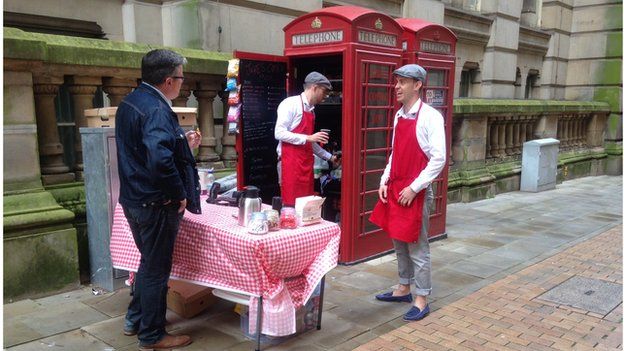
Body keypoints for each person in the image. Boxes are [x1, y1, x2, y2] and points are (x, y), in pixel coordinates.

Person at [115, 49, 201, 350]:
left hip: (134, 200)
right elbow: (160, 161)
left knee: (148, 263)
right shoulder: (156, 109)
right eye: (180, 78)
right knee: (156, 269)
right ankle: (152, 335)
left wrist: (183, 143)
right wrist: (178, 194)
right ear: (168, 80)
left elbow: (146, 149)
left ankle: (134, 319)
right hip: (155, 204)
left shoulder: (132, 101)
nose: (182, 83)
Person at [369, 64, 446, 322]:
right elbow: (394, 153)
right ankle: (404, 287)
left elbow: (439, 159)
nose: (397, 87)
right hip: (396, 186)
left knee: (417, 246)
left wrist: (414, 188)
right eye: (397, 82)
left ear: (418, 85)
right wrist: (384, 179)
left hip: (417, 190)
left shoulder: (431, 117)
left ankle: (421, 298)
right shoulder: (399, 115)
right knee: (397, 239)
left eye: (402, 82)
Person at [275, 71, 340, 206]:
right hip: (290, 165)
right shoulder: (290, 104)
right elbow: (279, 133)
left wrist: (329, 157)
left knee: (305, 207)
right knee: (290, 207)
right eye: (324, 92)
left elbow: (309, 143)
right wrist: (308, 137)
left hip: (305, 166)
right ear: (314, 88)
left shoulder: (311, 110)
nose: (326, 96)